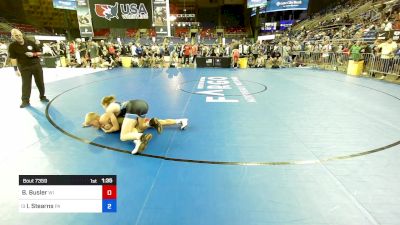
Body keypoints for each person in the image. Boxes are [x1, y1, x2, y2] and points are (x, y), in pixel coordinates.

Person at [8, 29, 49, 108]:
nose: (19, 37)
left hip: (36, 65)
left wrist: (33, 54)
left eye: (20, 35)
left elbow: (40, 53)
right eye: (16, 35)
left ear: (22, 34)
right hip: (24, 67)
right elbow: (13, 58)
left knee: (40, 82)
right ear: (13, 36)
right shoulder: (12, 46)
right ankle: (25, 100)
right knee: (26, 84)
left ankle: (42, 96)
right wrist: (15, 69)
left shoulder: (30, 42)